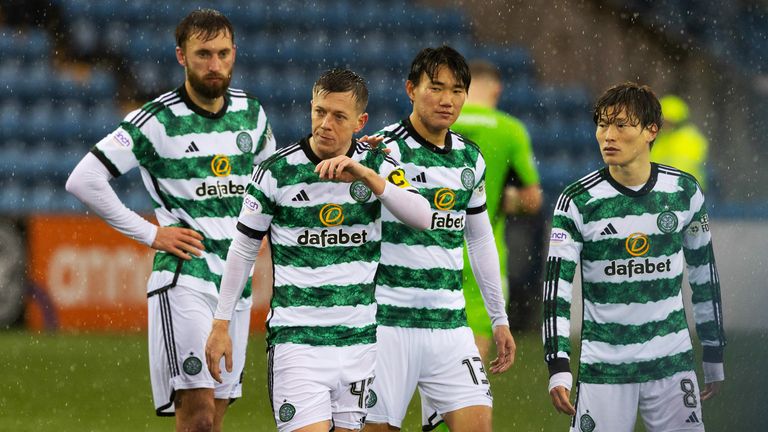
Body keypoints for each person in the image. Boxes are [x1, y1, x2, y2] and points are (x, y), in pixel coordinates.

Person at [65, 9, 276, 431]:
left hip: (234, 285)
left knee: (213, 420)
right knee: (197, 416)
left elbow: (272, 189)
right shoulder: (156, 120)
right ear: (181, 56)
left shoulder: (252, 114)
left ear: (234, 53)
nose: (214, 65)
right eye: (203, 54)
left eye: (221, 54)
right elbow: (84, 179)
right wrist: (150, 233)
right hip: (186, 278)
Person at [205, 68, 431, 432]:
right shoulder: (276, 172)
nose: (325, 124)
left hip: (359, 342)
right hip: (298, 341)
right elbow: (243, 250)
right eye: (319, 111)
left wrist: (368, 178)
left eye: (339, 116)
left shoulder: (379, 163)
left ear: (361, 121)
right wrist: (220, 323)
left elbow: (423, 216)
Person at [542, 82, 726, 432]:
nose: (608, 135)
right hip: (605, 370)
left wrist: (714, 354)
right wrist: (558, 364)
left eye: (621, 125)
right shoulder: (577, 200)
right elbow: (556, 291)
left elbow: (706, 277)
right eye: (602, 124)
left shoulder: (684, 192)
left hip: (671, 365)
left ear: (650, 131)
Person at [365, 46, 516, 432]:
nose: (448, 100)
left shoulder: (471, 159)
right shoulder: (382, 149)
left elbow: (479, 241)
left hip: (449, 324)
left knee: (478, 425)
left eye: (457, 90)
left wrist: (499, 319)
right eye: (436, 88)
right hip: (387, 324)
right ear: (411, 89)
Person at [451, 59, 543, 359]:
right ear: (496, 90)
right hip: (481, 253)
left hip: (432, 250)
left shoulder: (435, 120)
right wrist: (505, 198)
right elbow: (533, 200)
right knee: (471, 361)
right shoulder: (509, 130)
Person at [651, 94, 709, 189]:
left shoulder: (689, 138)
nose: (664, 124)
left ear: (677, 120)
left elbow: (684, 167)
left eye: (668, 120)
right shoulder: (660, 139)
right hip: (662, 191)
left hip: (687, 191)